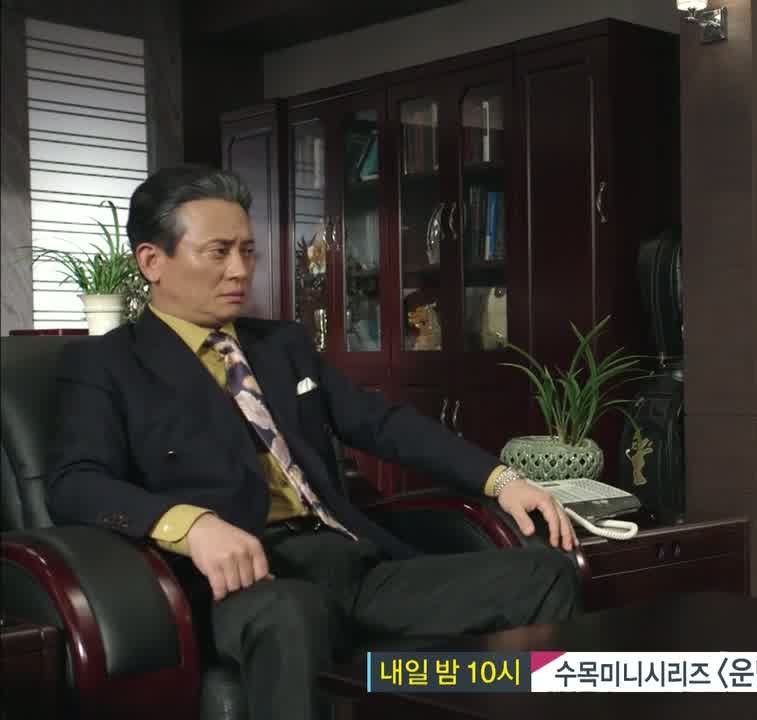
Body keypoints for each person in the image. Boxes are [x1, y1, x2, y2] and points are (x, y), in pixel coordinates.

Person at [45, 166, 580, 720]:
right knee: (293, 614)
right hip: (244, 582)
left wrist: (502, 479)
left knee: (544, 574)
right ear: (152, 261)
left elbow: (381, 422)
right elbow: (75, 482)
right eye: (219, 252)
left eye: (248, 251)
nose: (239, 270)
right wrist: (193, 525)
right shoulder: (107, 364)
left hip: (351, 563)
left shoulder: (283, 344)